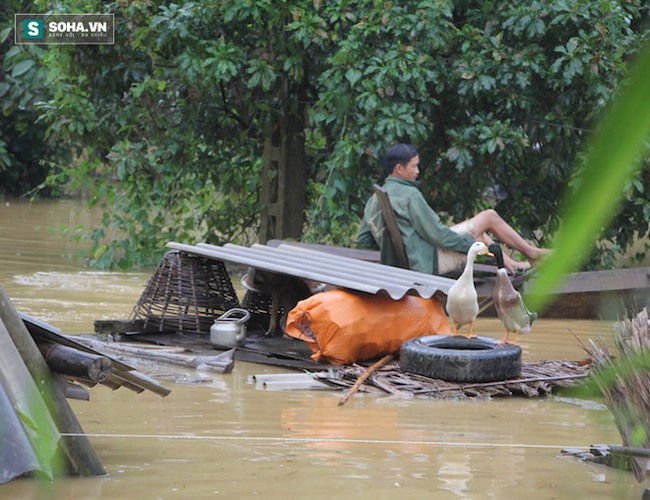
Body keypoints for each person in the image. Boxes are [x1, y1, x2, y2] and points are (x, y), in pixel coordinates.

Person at [357, 143, 551, 275]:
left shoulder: (375, 199)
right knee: (489, 216)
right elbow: (438, 235)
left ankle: (514, 266)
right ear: (399, 169)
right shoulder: (409, 195)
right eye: (414, 167)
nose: (418, 171)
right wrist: (474, 247)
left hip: (410, 260)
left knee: (479, 233)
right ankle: (531, 253)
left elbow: (363, 239)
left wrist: (391, 247)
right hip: (425, 263)